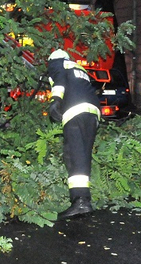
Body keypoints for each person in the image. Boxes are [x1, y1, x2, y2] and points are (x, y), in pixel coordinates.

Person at [46, 49, 101, 219]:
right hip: (93, 112)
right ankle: (83, 199)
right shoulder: (78, 68)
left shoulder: (58, 64)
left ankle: (81, 202)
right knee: (82, 155)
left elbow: (60, 81)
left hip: (76, 111)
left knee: (74, 155)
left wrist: (55, 100)